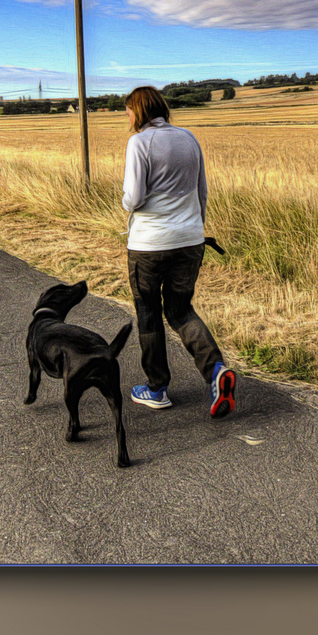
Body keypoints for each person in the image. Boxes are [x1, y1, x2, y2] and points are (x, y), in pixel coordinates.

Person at [119, 86, 235, 418]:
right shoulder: (188, 139)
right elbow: (202, 191)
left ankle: (156, 389)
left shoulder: (139, 143)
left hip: (149, 244)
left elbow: (134, 197)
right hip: (190, 239)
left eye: (128, 112)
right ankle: (215, 371)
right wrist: (193, 228)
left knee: (149, 312)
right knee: (181, 310)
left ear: (139, 111)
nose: (127, 119)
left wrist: (125, 200)